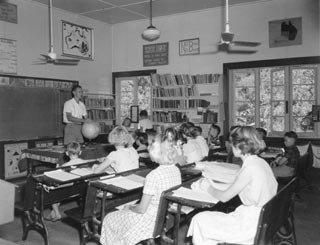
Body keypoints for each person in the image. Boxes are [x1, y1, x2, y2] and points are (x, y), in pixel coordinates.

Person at [187, 126, 278, 245]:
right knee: (203, 218)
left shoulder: (249, 168)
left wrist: (208, 188)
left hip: (250, 224)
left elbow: (225, 197)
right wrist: (211, 183)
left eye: (232, 143)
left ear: (239, 148)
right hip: (264, 218)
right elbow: (236, 186)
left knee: (199, 219)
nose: (230, 145)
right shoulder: (259, 162)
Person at [100, 139, 182, 245]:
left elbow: (141, 209)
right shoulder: (176, 170)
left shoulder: (154, 175)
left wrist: (129, 207)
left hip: (148, 222)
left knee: (109, 218)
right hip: (166, 218)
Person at [46, 142, 87, 222]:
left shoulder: (65, 166)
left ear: (67, 153)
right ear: (80, 152)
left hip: (69, 190)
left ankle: (57, 214)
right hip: (82, 188)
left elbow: (57, 178)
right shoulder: (85, 162)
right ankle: (53, 212)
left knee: (51, 190)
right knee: (61, 188)